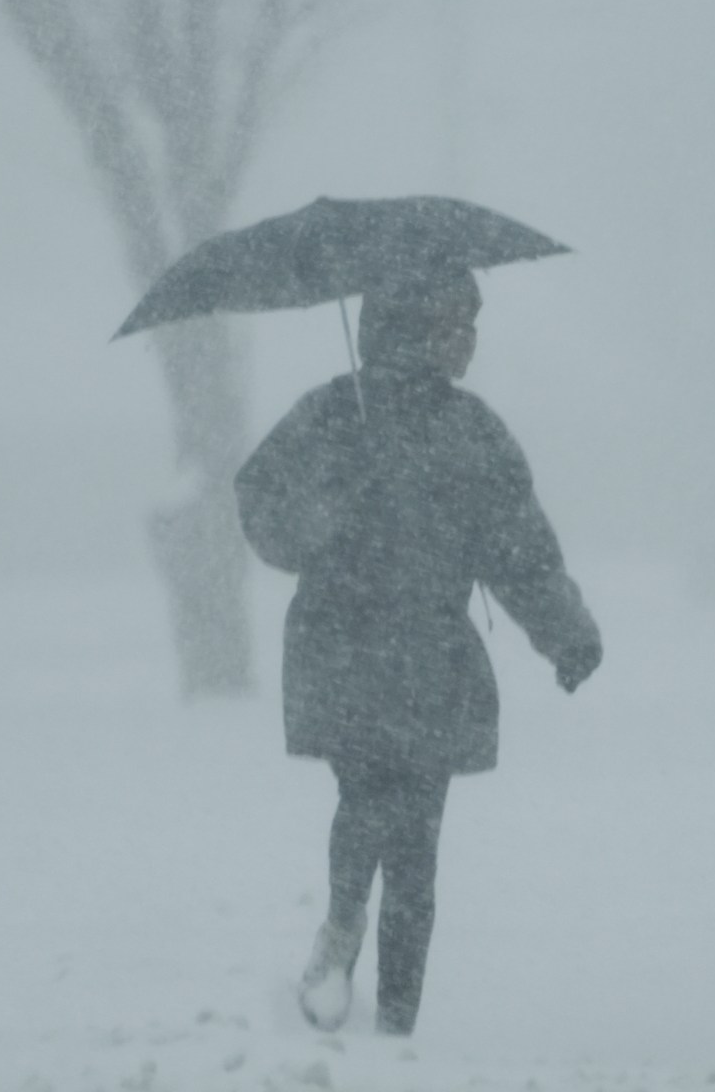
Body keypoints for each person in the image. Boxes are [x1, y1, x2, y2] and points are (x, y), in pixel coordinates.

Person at [235, 264, 602, 1037]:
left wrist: (565, 632)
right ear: (408, 329)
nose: (468, 342)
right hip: (358, 649)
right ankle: (348, 940)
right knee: (381, 805)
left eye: (472, 326)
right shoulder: (350, 415)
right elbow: (261, 499)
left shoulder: (458, 430)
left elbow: (520, 554)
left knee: (411, 843)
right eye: (454, 325)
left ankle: (392, 1014)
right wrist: (318, 521)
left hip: (419, 657)